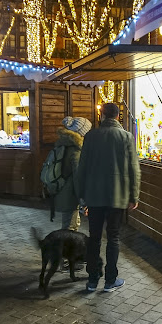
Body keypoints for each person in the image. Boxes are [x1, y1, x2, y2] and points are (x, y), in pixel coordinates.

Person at [76, 103, 140, 293]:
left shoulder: (91, 136)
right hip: (117, 197)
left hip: (94, 197)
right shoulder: (127, 137)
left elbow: (82, 168)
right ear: (118, 116)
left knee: (94, 238)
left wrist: (81, 196)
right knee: (113, 237)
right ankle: (110, 281)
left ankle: (92, 280)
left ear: (102, 115)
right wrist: (134, 195)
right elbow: (134, 169)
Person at [53, 116, 92, 231]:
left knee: (70, 225)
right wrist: (83, 200)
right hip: (70, 195)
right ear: (81, 133)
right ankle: (66, 249)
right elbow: (78, 177)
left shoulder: (64, 145)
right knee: (70, 227)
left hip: (64, 191)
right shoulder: (76, 150)